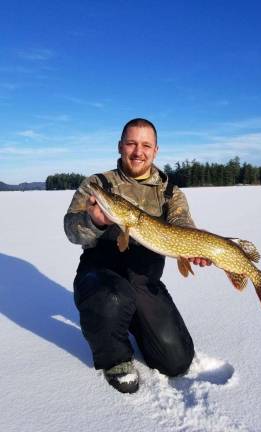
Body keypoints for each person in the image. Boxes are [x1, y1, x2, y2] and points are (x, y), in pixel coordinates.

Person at [64, 118, 211, 394]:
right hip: (101, 276)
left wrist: (195, 248)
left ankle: (132, 318)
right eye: (131, 143)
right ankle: (115, 358)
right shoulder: (98, 185)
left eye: (146, 145)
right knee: (112, 299)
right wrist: (95, 221)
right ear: (120, 146)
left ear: (155, 150)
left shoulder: (169, 192)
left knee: (176, 360)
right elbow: (71, 231)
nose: (138, 151)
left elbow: (182, 226)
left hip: (143, 279)